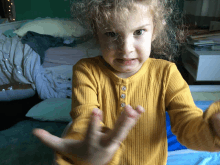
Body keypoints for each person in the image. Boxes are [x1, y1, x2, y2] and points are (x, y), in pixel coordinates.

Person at [33, 0, 220, 164]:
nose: (126, 49)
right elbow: (84, 122)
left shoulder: (167, 73)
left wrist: (212, 131)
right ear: (97, 33)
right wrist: (89, 152)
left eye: (139, 31)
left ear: (154, 30)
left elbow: (188, 125)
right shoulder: (86, 71)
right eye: (112, 34)